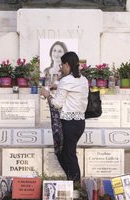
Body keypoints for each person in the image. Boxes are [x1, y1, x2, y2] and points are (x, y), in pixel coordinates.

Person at [40, 51, 89, 183]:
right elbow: (73, 90)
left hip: (68, 123)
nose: (61, 68)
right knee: (67, 153)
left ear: (67, 64)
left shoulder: (65, 81)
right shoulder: (83, 79)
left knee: (68, 154)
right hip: (80, 123)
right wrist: (58, 86)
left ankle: (76, 184)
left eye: (62, 65)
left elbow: (56, 104)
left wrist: (47, 95)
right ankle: (72, 182)